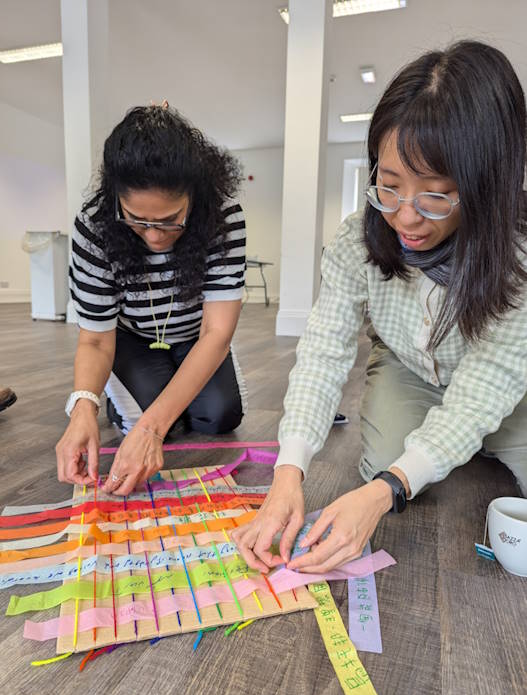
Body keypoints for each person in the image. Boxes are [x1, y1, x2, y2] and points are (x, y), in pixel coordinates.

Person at [232, 41, 527, 575]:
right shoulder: (356, 241)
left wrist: (385, 490)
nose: (405, 218)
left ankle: (469, 448)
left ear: (487, 187)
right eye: (388, 188)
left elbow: (487, 386)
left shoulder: (517, 257)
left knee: (412, 468)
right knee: (389, 456)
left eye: (435, 196)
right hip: (412, 370)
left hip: (509, 381)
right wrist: (288, 473)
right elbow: (323, 352)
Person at [56, 105, 247, 496]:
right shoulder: (93, 227)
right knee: (164, 425)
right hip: (131, 339)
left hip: (197, 335)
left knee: (219, 416)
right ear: (116, 199)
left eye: (170, 220)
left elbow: (216, 332)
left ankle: (154, 392)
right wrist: (83, 406)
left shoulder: (224, 218)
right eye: (137, 220)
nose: (155, 236)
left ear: (194, 197)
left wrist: (150, 429)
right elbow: (94, 339)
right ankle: (119, 395)